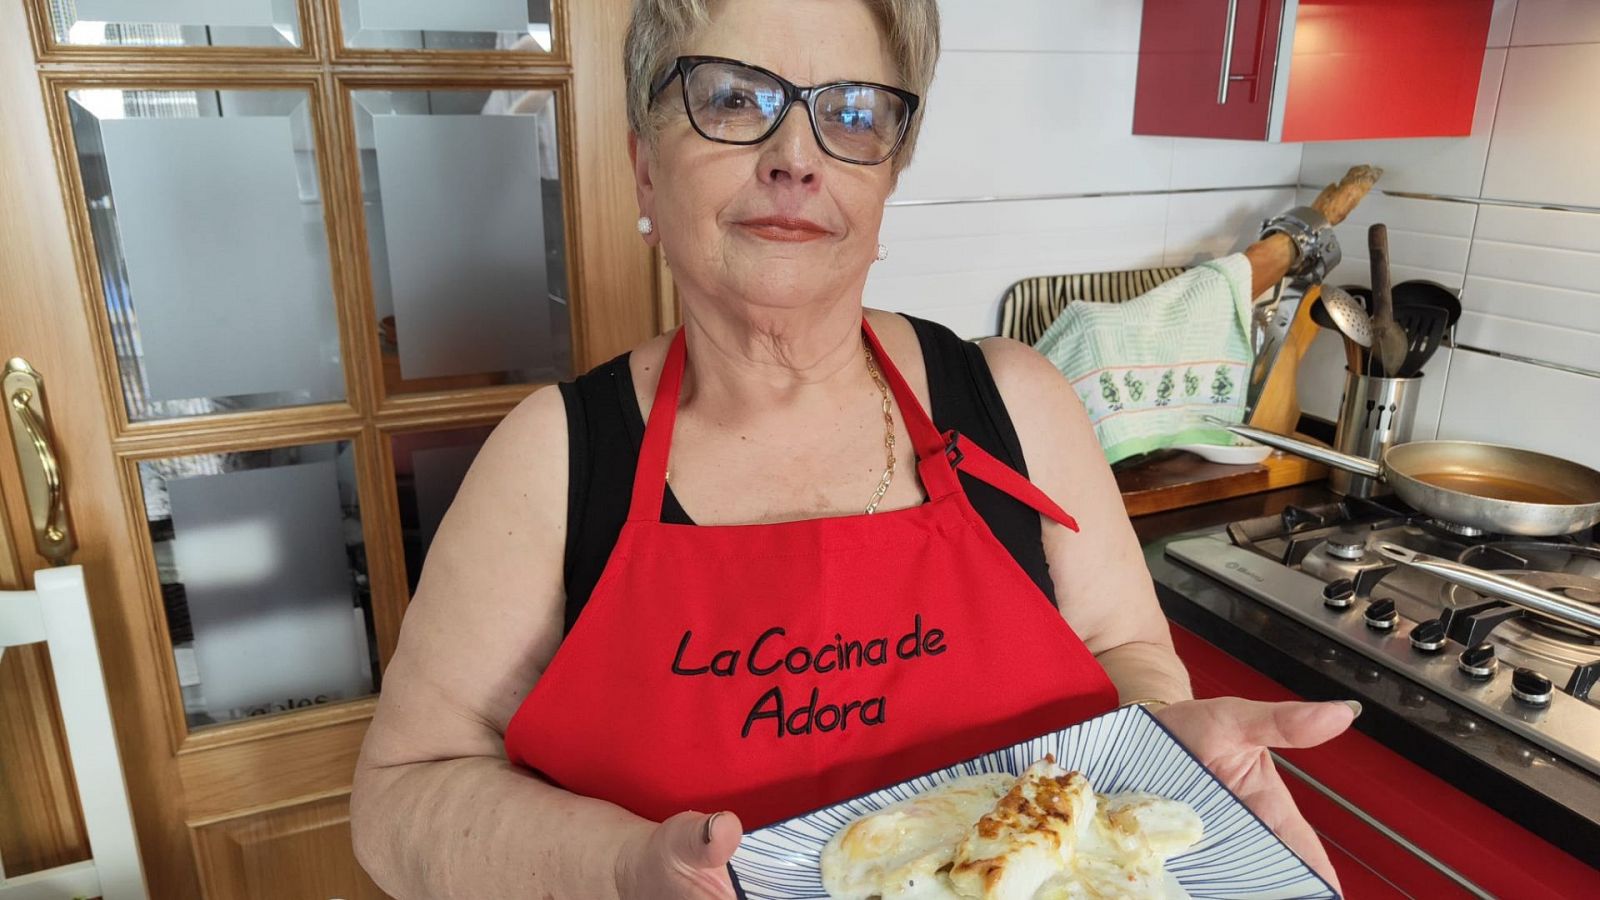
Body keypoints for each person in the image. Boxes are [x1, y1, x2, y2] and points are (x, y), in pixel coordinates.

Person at [350, 1, 1375, 896]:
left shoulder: (1016, 404)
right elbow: (399, 803)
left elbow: (1130, 654)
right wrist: (618, 871)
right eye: (733, 97)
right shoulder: (556, 461)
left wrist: (1153, 761)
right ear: (642, 166)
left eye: (850, 112)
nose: (795, 156)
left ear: (889, 173)